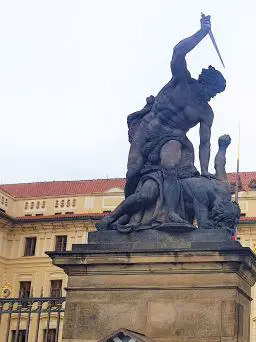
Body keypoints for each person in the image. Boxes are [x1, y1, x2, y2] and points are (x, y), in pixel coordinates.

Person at [97, 15, 227, 232]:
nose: (211, 95)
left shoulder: (206, 111)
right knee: (133, 173)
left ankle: (171, 214)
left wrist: (204, 170)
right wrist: (202, 33)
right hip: (147, 129)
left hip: (174, 137)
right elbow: (178, 51)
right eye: (211, 90)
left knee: (169, 166)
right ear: (204, 80)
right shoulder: (181, 80)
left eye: (215, 93)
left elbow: (205, 143)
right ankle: (127, 216)